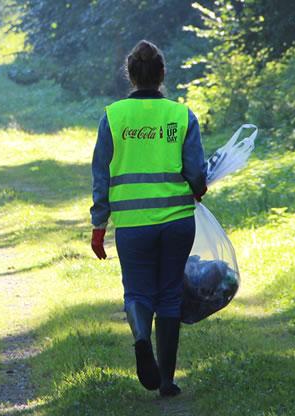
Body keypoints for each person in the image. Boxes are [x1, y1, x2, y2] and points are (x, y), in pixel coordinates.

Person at [89, 40, 207, 397]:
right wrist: (198, 188)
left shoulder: (113, 116)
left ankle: (142, 339)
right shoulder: (181, 115)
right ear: (161, 74)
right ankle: (167, 381)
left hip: (133, 225)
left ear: (131, 73)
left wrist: (99, 225)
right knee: (170, 294)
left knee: (138, 291)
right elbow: (196, 175)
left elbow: (101, 176)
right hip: (176, 221)